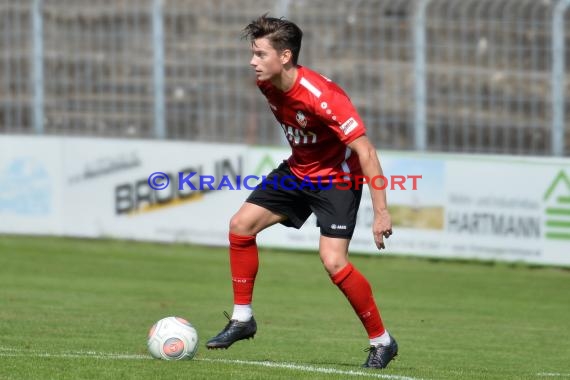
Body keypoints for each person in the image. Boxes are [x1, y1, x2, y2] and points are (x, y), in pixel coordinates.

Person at [206, 14, 398, 369]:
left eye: (260, 54)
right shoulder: (267, 84)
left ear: (285, 56)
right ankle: (243, 319)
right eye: (252, 52)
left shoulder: (324, 97)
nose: (252, 61)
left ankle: (382, 341)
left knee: (333, 261)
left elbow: (366, 151)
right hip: (297, 171)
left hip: (336, 179)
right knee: (240, 226)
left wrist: (382, 211)